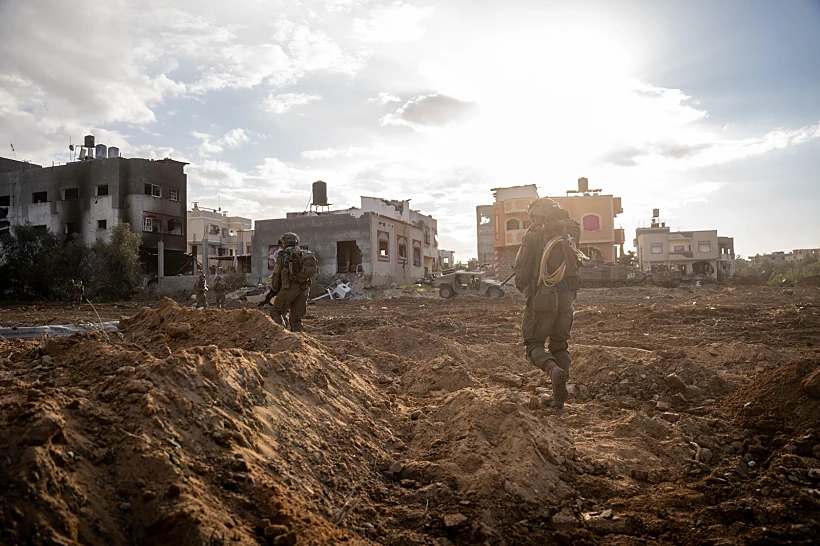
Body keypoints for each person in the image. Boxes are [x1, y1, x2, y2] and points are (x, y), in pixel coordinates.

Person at [514, 197, 582, 409]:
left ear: (537, 215)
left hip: (544, 295)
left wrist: (525, 287)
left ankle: (553, 371)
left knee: (533, 344)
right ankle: (558, 397)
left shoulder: (533, 235)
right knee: (559, 345)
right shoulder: (570, 233)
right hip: (567, 297)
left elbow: (522, 271)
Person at [269, 232, 314, 332]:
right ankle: (299, 342)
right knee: (296, 319)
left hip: (289, 288)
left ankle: (281, 334)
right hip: (304, 289)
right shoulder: (304, 254)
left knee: (276, 312)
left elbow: (276, 275)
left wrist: (275, 290)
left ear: (284, 243)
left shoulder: (283, 256)